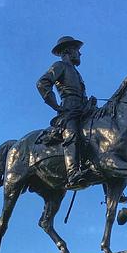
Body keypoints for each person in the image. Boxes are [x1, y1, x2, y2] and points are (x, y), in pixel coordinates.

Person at [36, 35, 95, 187]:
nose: (80, 54)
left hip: (83, 108)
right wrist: (55, 105)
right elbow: (42, 83)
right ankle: (73, 173)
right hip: (69, 109)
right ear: (69, 51)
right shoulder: (59, 66)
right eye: (77, 50)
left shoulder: (76, 72)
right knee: (72, 135)